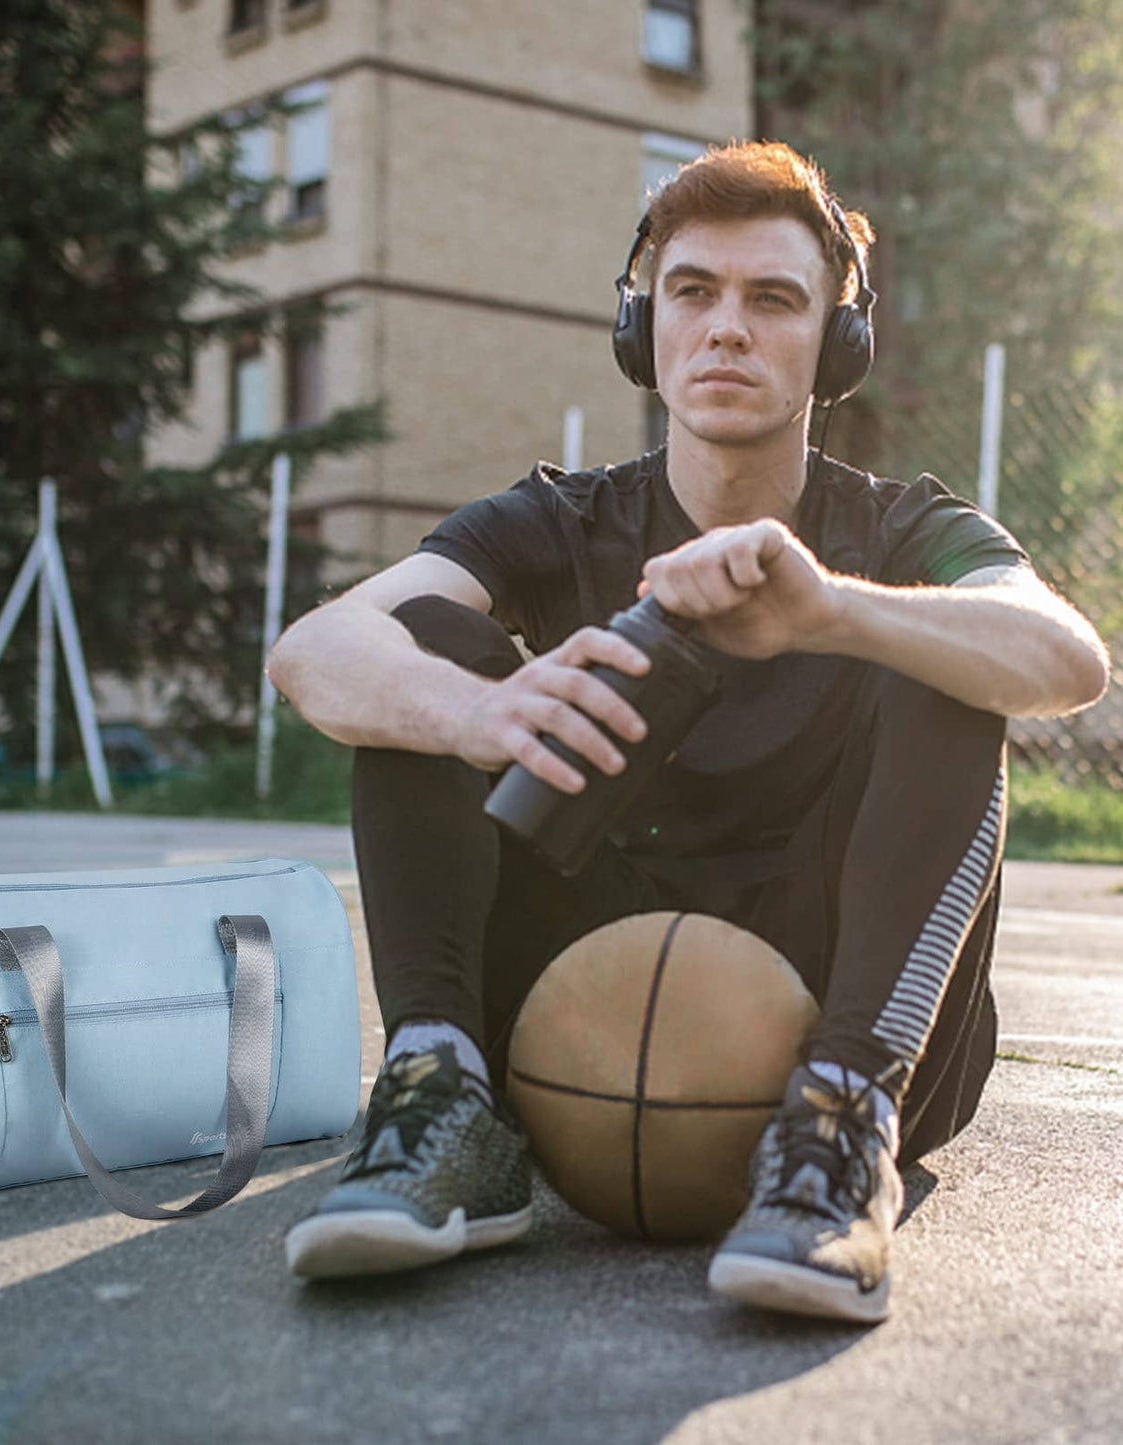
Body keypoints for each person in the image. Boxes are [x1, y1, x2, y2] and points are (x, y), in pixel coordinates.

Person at [264, 141, 1108, 1321]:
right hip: (577, 1034)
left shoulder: (904, 527)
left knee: (953, 653)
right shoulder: (554, 521)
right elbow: (314, 649)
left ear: (833, 344)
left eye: (772, 299)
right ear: (641, 327)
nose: (726, 329)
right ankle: (441, 1100)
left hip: (855, 1014)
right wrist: (479, 709)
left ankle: (839, 1117)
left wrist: (830, 609)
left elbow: (1067, 658)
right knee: (421, 650)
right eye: (691, 292)